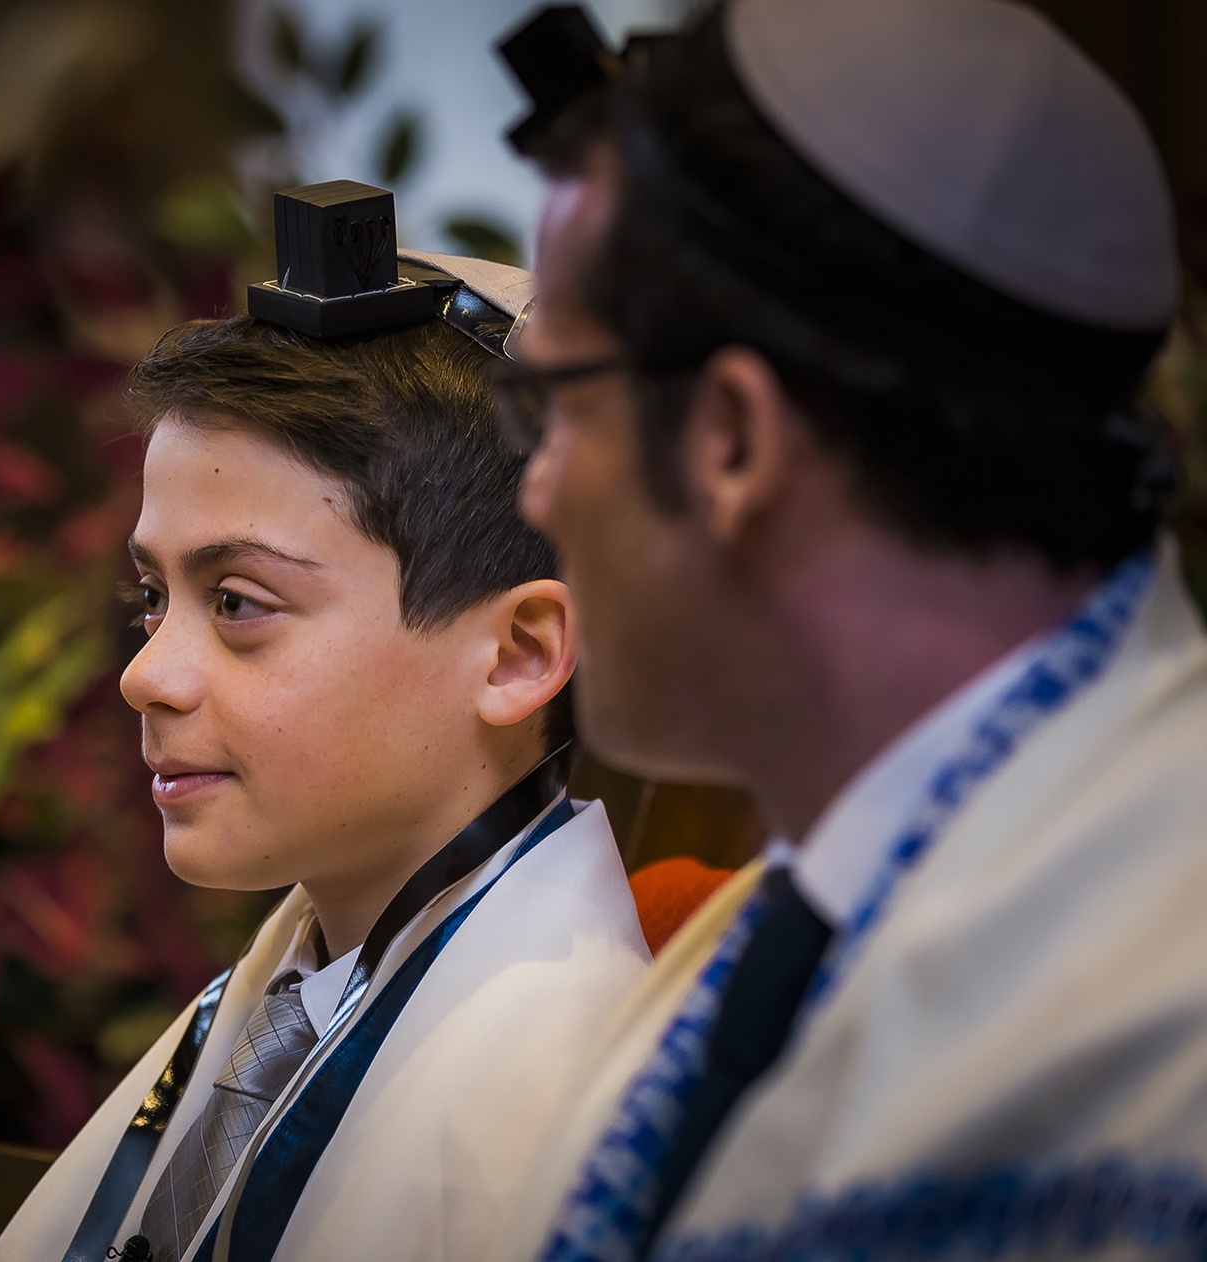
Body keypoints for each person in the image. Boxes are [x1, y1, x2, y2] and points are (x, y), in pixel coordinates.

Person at [486, 0, 1207, 1258]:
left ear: (731, 439)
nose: (535, 490)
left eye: (555, 404)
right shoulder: (832, 873)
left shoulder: (1154, 1038)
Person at [0, 185, 649, 1262]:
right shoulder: (310, 971)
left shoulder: (550, 1119)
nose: (145, 675)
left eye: (238, 602)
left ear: (517, 654)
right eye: (151, 596)